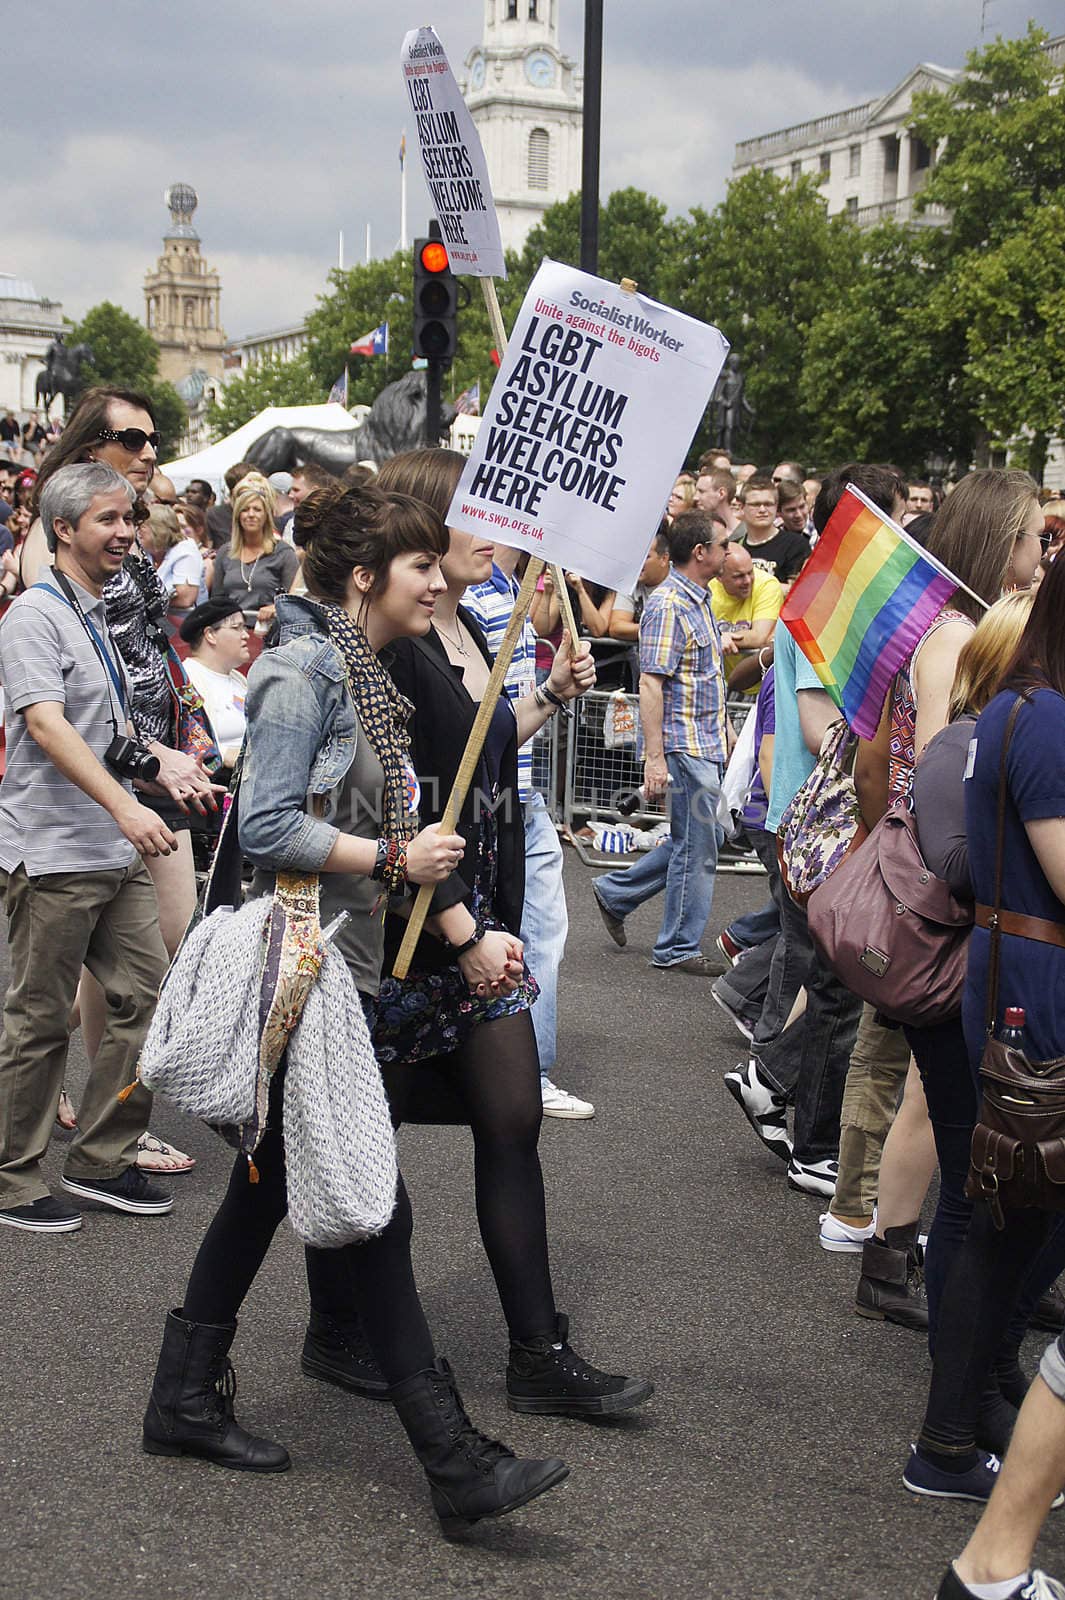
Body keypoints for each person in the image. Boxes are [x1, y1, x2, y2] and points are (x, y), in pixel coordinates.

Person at [144, 477, 568, 1534]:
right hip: (297, 971)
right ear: (370, 576)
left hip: (338, 970)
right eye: (423, 563)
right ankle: (452, 1458)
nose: (442, 577)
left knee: (266, 1188)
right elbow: (270, 825)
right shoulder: (302, 673)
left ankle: (183, 1394)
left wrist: (467, 925)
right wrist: (391, 854)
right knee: (370, 1200)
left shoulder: (367, 673)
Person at [372, 446, 651, 1417]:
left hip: (477, 916)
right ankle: (325, 1331)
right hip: (410, 928)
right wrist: (460, 928)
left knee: (511, 1118)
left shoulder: (462, 624)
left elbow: (480, 748)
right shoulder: (393, 642)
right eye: (483, 517)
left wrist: (550, 697)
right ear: (423, 529)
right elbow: (400, 801)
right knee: (336, 1145)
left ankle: (537, 1352)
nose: (505, 535)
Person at [903, 538, 1065, 1508]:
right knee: (1001, 1219)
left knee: (1011, 1217)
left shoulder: (1033, 708)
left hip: (1025, 981)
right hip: (1033, 991)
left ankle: (978, 1409)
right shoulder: (1040, 716)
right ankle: (949, 1440)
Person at [29, 385, 221, 1174]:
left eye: (153, 438)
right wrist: (132, 764)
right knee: (108, 967)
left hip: (150, 757)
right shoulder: (59, 549)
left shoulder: (129, 539)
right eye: (133, 438)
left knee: (127, 960)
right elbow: (62, 686)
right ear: (87, 450)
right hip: (102, 772)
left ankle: (89, 1110)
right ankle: (92, 1121)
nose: (149, 452)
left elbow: (150, 647)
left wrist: (191, 715)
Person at [0, 464, 177, 1232]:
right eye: (108, 519)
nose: (126, 532)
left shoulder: (98, 611)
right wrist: (125, 806)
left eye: (129, 518)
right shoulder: (32, 616)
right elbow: (45, 725)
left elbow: (103, 727)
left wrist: (162, 762)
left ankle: (104, 1156)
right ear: (63, 529)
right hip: (53, 851)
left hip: (111, 845)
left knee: (150, 997)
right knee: (40, 1021)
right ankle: (10, 1178)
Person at [592, 509, 731, 977]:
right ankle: (676, 946)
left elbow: (703, 677)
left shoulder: (698, 598)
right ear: (701, 552)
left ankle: (616, 893)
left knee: (698, 839)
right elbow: (652, 683)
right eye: (723, 545)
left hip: (703, 740)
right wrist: (655, 758)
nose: (728, 552)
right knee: (699, 847)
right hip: (685, 745)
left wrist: (726, 730)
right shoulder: (670, 603)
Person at [211, 472, 299, 626]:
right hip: (232, 632)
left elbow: (295, 601)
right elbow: (216, 600)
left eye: (257, 509)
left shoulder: (283, 553)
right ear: (238, 515)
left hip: (270, 633)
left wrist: (275, 608)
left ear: (266, 515)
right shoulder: (225, 553)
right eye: (245, 509)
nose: (251, 514)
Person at [179, 600, 249, 769]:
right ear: (210, 635)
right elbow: (186, 741)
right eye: (236, 628)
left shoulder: (240, 679)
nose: (246, 635)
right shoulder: (186, 680)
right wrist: (224, 754)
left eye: (244, 627)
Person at [709, 544, 782, 683]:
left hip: (761, 683)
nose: (747, 581)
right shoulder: (708, 588)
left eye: (750, 572)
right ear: (719, 576)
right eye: (738, 576)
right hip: (722, 682)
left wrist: (721, 637)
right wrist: (717, 639)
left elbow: (759, 636)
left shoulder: (767, 584)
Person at [732, 476, 811, 587]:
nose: (763, 510)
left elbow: (797, 591)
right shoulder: (733, 548)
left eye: (768, 504)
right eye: (755, 504)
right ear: (741, 507)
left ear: (776, 507)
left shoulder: (796, 544)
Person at [141, 503, 206, 615]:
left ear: (157, 529)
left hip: (185, 624)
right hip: (158, 623)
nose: (137, 531)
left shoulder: (185, 551)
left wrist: (143, 599)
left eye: (142, 526)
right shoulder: (145, 551)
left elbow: (185, 599)